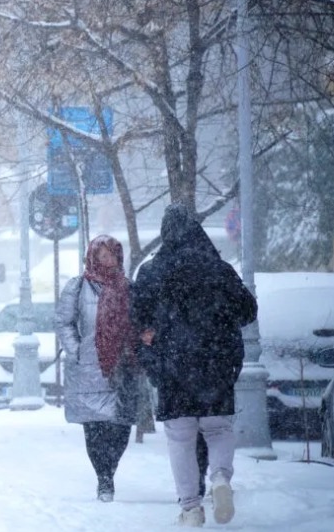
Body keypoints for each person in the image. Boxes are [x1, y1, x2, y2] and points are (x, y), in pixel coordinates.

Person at [132, 204, 258, 527]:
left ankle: (190, 508)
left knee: (180, 437)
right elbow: (247, 310)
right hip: (216, 363)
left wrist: (153, 343)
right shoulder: (218, 269)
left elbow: (137, 321)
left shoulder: (151, 272)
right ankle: (219, 479)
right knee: (217, 429)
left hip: (173, 366)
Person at [55, 235, 141, 503]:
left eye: (112, 255)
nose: (108, 260)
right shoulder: (78, 287)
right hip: (89, 369)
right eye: (102, 255)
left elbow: (139, 322)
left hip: (123, 367)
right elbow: (64, 322)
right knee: (94, 428)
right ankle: (104, 478)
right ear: (92, 257)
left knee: (121, 426)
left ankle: (110, 469)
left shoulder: (129, 288)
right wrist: (76, 349)